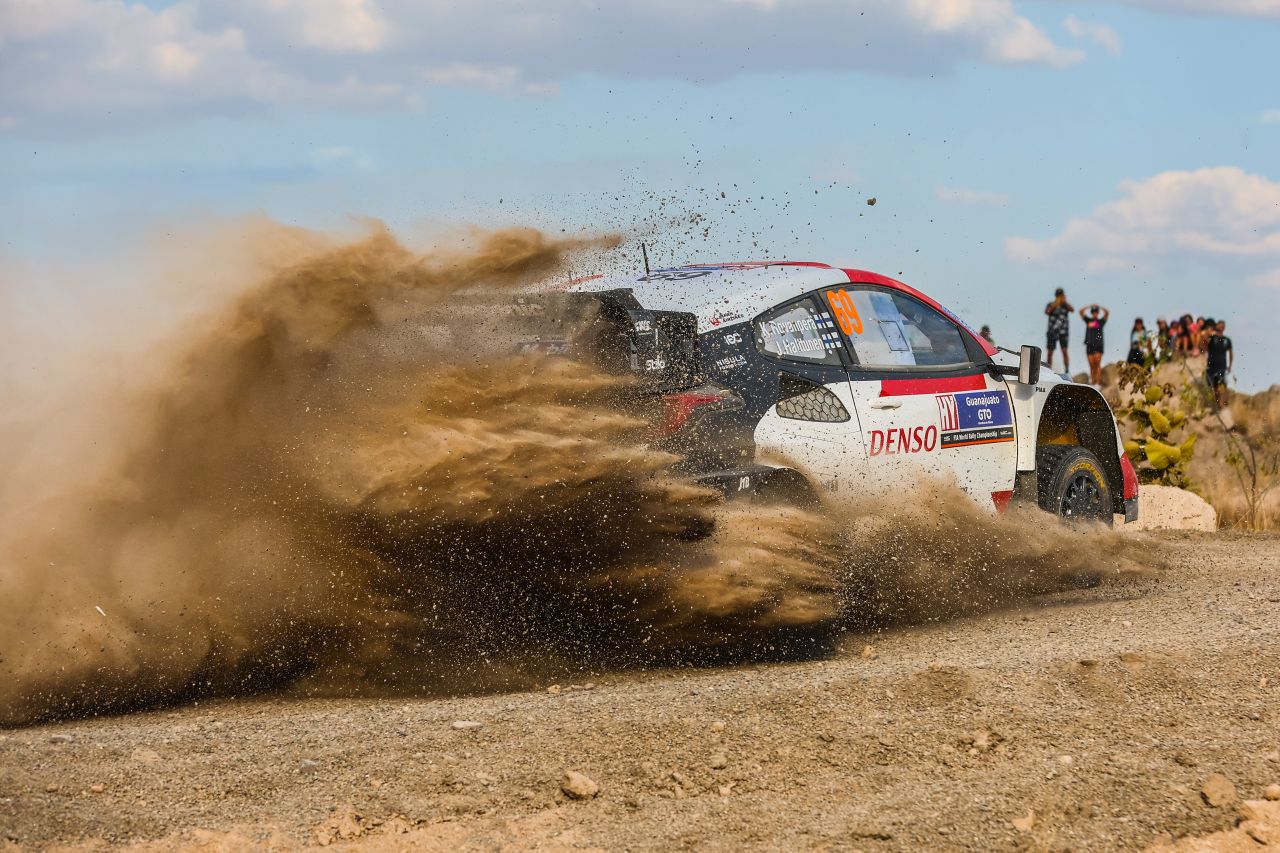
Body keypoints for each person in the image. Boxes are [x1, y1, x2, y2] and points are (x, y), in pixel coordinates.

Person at [1206, 319, 1234, 410]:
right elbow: (1203, 347)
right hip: (1211, 366)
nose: (1221, 327)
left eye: (1223, 326)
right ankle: (1215, 405)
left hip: (1222, 366)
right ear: (1216, 326)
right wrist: (1209, 336)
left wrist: (1230, 366)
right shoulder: (1211, 337)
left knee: (1221, 385)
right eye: (1220, 325)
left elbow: (1230, 353)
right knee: (1212, 387)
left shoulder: (1227, 340)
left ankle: (1221, 404)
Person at [1078, 303, 1109, 384]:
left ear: (1098, 313)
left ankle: (1098, 382)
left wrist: (1099, 306)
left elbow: (1107, 312)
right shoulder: (1088, 320)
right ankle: (1093, 382)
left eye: (1096, 312)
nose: (1095, 314)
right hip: (1089, 344)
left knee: (1097, 363)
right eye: (1093, 312)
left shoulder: (1101, 322)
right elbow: (1080, 311)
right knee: (1091, 365)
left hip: (1098, 345)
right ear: (1091, 313)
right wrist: (1089, 305)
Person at [1044, 288, 1073, 372]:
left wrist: (1064, 302)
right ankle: (1048, 370)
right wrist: (1055, 304)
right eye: (1058, 296)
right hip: (1052, 331)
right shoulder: (1051, 304)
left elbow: (1072, 309)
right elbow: (1047, 312)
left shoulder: (1065, 305)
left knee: (1064, 351)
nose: (1059, 297)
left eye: (1061, 295)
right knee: (1050, 352)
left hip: (1063, 332)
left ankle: (1067, 370)